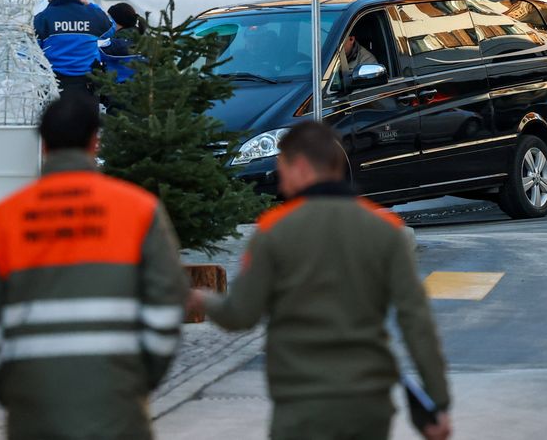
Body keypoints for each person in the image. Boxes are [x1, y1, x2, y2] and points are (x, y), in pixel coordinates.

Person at [191, 121, 452, 440]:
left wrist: (202, 298)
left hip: (302, 405)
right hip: (368, 404)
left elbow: (240, 314)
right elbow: (416, 321)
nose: (281, 182)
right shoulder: (385, 230)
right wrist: (437, 403)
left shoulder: (274, 231)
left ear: (300, 166)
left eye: (282, 168)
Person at [0, 93, 188, 440]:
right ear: (95, 141)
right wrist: (143, 379)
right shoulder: (139, 210)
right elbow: (167, 302)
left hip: (32, 407)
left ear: (43, 145)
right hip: (118, 401)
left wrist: (12, 391)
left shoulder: (0, 221)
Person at [33, 0, 112, 106]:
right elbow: (110, 30)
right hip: (88, 84)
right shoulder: (91, 14)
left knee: (57, 125)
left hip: (55, 84)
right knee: (86, 125)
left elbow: (33, 51)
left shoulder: (42, 18)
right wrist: (89, 5)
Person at [100, 1, 146, 84]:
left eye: (109, 19)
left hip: (119, 91)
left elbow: (91, 50)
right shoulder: (144, 39)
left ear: (116, 21)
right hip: (143, 90)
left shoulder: (117, 44)